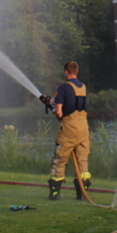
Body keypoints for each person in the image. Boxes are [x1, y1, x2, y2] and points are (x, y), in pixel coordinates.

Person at [47, 61, 91, 201]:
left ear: (66, 72)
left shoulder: (63, 87)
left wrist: (53, 109)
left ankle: (55, 193)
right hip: (83, 127)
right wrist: (51, 101)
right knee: (82, 160)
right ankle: (82, 193)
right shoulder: (83, 87)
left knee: (59, 160)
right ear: (76, 71)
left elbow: (59, 112)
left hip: (69, 128)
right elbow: (73, 103)